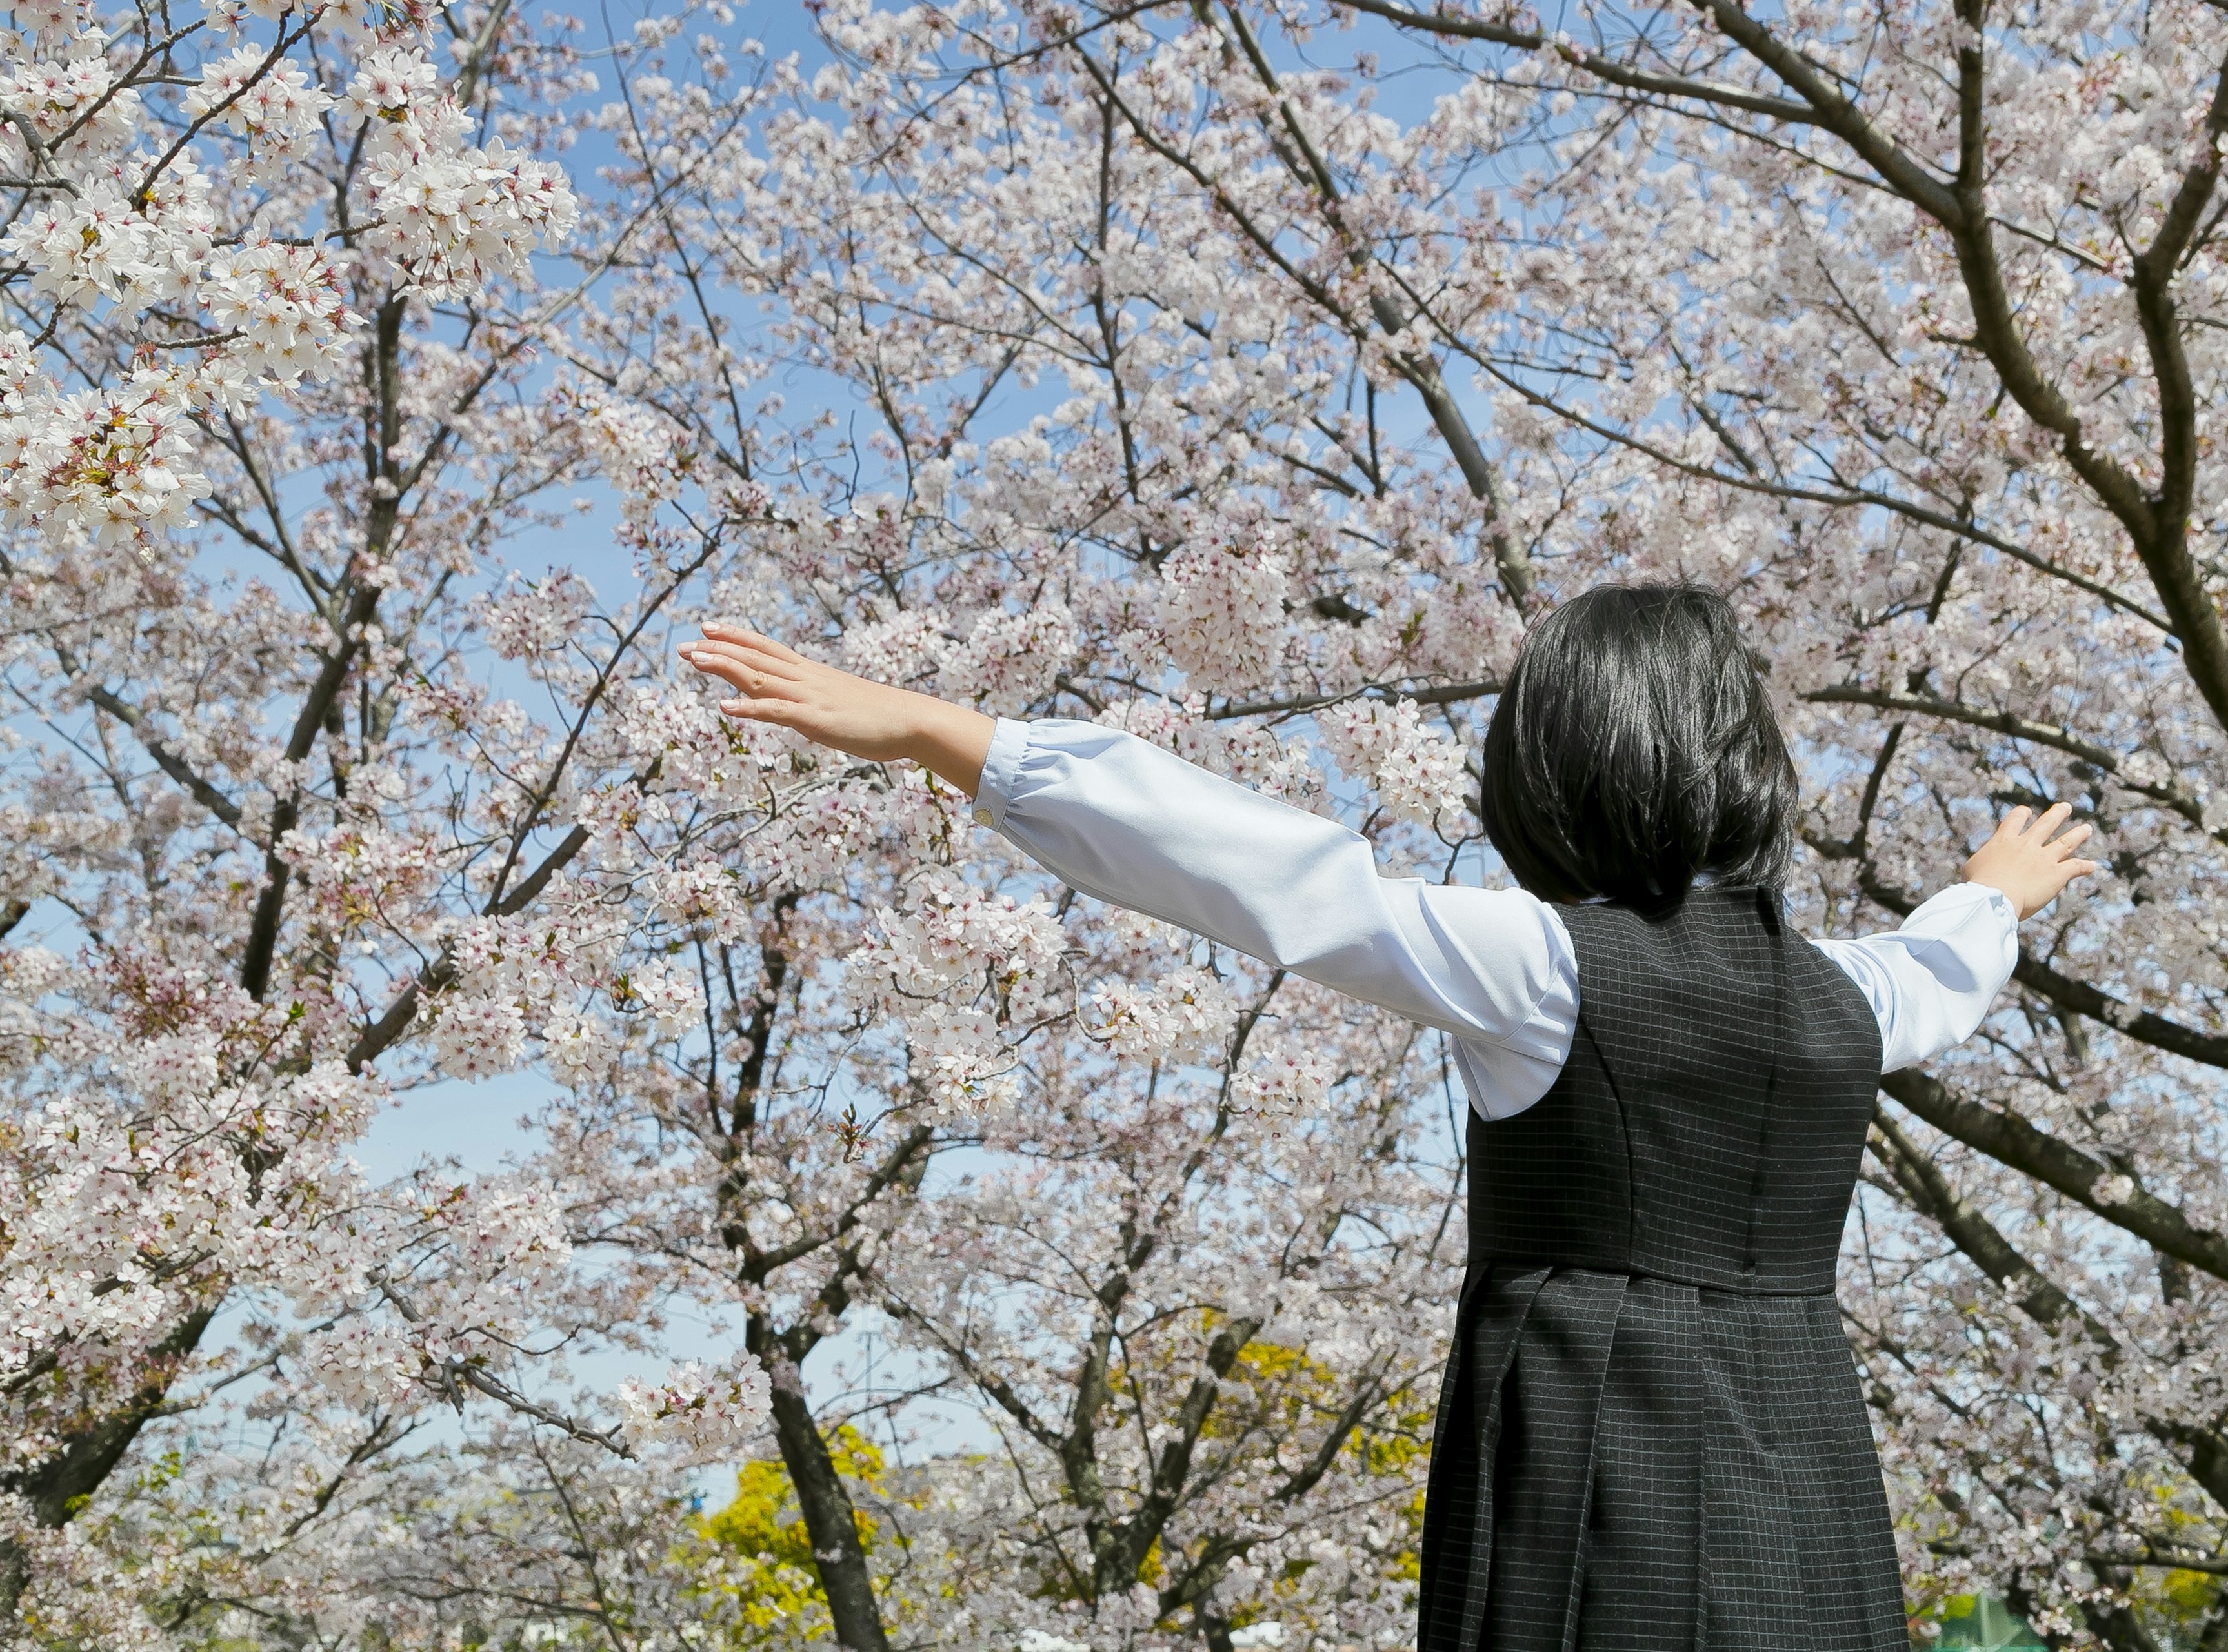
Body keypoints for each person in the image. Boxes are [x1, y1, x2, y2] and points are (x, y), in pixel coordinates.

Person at [680, 583, 2096, 1652]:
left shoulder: (1543, 968)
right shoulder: (1843, 993)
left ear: (1551, 771)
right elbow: (1942, 972)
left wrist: (945, 730)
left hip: (1594, 1442)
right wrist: (1995, 889)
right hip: (1804, 1458)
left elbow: (1272, 874)